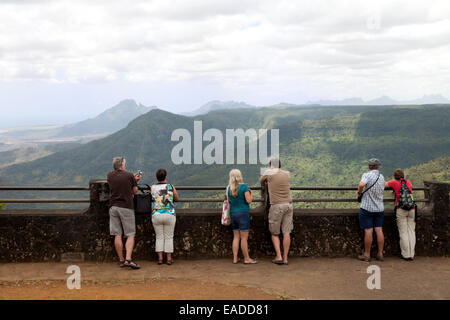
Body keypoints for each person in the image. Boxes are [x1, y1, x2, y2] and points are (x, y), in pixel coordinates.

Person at [107, 156, 142, 269]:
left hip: (113, 207)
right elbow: (134, 191)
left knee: (117, 234)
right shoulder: (129, 175)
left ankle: (121, 260)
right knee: (130, 234)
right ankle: (128, 259)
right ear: (122, 165)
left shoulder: (110, 175)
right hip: (126, 206)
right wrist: (135, 181)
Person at [259, 158, 293, 265]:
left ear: (271, 166)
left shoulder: (269, 174)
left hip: (277, 206)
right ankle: (286, 258)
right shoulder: (287, 174)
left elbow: (261, 180)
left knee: (274, 233)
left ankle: (278, 256)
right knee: (286, 232)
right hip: (288, 205)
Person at [357, 158, 386, 262]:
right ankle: (380, 254)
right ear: (378, 166)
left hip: (367, 208)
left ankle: (367, 254)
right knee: (379, 230)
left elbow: (361, 185)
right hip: (379, 208)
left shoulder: (367, 175)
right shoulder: (381, 177)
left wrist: (359, 193)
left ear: (369, 166)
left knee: (368, 230)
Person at [227, 169, 258, 264]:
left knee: (236, 237)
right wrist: (251, 194)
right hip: (243, 214)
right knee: (244, 238)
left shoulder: (229, 188)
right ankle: (247, 258)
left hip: (233, 214)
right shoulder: (244, 187)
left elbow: (229, 201)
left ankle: (235, 258)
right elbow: (248, 201)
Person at [385, 169, 416, 261]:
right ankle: (412, 254)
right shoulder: (408, 182)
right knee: (411, 231)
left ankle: (406, 255)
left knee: (403, 232)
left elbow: (383, 185)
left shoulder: (394, 183)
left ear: (395, 176)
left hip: (401, 208)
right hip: (412, 208)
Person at [150, 168, 178, 265]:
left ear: (157, 178)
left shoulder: (152, 187)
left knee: (159, 237)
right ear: (165, 177)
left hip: (156, 214)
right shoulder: (170, 186)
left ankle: (160, 259)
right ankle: (169, 259)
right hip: (169, 214)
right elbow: (176, 198)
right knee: (169, 237)